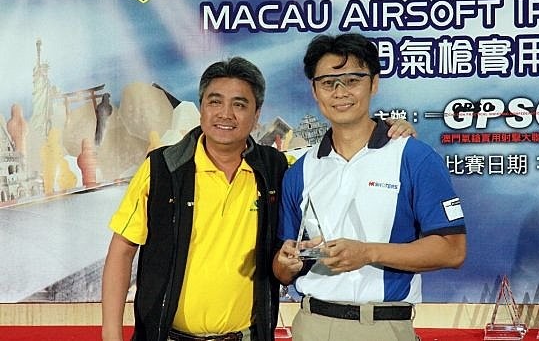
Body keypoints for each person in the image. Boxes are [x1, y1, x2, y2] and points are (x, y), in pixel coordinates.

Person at [101, 56, 417, 341]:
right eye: (215, 102)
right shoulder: (162, 169)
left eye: (239, 104)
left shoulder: (275, 169)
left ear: (256, 114)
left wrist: (386, 132)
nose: (225, 114)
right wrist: (111, 334)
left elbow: (338, 152)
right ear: (201, 108)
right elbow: (122, 252)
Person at [273, 33, 467, 341]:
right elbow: (282, 270)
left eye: (352, 80)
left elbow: (453, 251)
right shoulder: (300, 170)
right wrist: (286, 262)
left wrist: (368, 252)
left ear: (374, 83)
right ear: (314, 91)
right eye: (328, 83)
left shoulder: (414, 156)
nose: (340, 92)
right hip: (312, 325)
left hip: (383, 326)